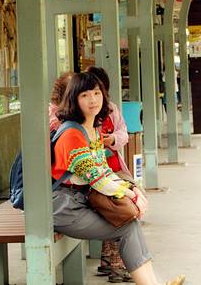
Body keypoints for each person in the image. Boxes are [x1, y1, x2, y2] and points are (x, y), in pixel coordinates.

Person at [52, 73, 186, 285]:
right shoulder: (72, 135)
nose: (93, 100)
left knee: (130, 225)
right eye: (84, 95)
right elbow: (96, 178)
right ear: (73, 100)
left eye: (97, 93)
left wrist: (130, 189)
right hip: (64, 208)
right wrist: (132, 195)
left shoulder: (92, 130)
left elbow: (104, 170)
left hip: (79, 202)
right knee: (127, 227)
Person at [86, 66, 132, 282]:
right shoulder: (79, 113)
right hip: (92, 175)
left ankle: (108, 260)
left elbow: (124, 133)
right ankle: (117, 266)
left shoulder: (112, 109)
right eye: (88, 92)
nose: (93, 97)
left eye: (97, 91)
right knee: (120, 209)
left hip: (114, 168)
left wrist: (112, 139)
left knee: (126, 202)